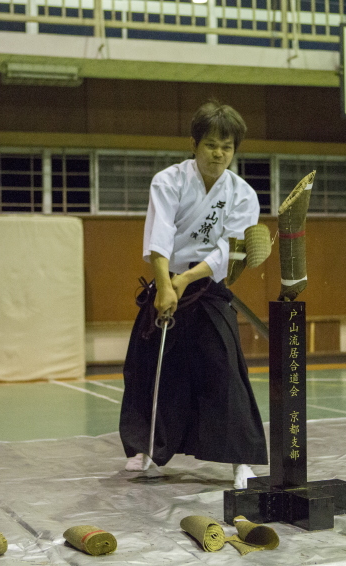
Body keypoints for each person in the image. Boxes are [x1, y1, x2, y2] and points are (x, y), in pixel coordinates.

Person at [119, 100, 268, 489]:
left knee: (224, 369)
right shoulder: (168, 181)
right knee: (147, 367)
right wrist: (165, 285)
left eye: (227, 147)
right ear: (194, 144)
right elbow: (159, 235)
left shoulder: (242, 194)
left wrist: (185, 281)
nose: (218, 154)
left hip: (206, 287)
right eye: (211, 145)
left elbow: (228, 251)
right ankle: (146, 449)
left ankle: (241, 461)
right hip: (165, 279)